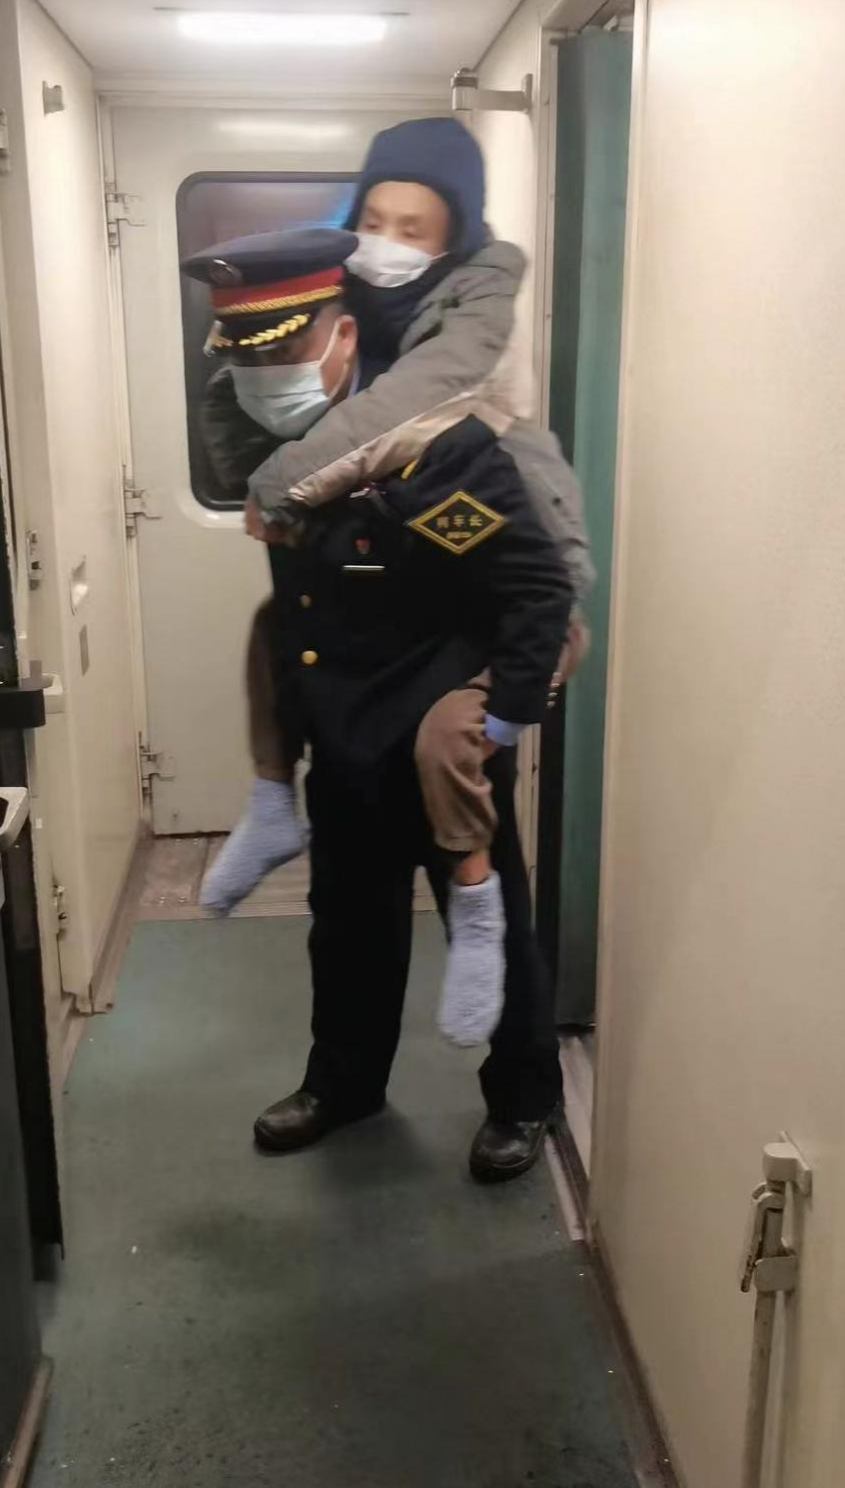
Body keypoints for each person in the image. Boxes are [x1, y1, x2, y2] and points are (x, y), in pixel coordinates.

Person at [182, 227, 575, 1181]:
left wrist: (502, 718)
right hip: (345, 731)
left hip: (444, 731)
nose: (264, 374)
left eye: (285, 347)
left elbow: (537, 589)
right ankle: (344, 1084)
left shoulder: (440, 450)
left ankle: (523, 1098)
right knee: (348, 926)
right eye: (248, 356)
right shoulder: (281, 449)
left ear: (345, 335)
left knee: (489, 925)